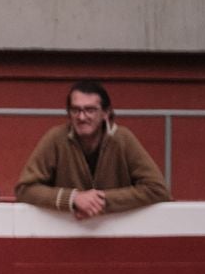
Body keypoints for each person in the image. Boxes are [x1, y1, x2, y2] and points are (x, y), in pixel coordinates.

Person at [15, 80, 170, 219]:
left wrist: (100, 201)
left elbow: (158, 189)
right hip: (65, 231)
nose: (82, 117)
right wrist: (73, 198)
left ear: (106, 113)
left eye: (90, 110)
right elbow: (25, 189)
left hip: (117, 232)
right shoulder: (56, 138)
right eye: (75, 110)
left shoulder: (123, 139)